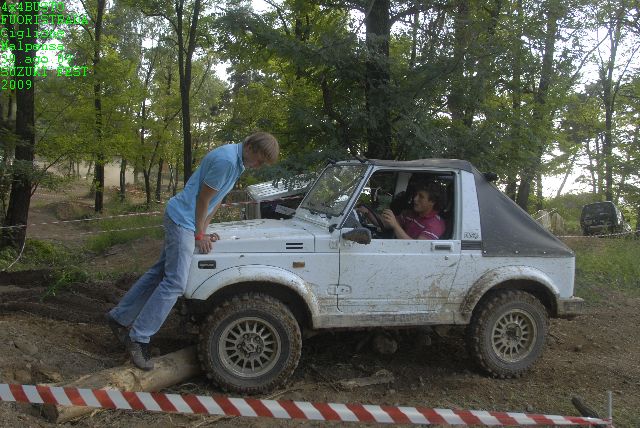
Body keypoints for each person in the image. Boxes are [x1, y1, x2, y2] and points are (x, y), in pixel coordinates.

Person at [106, 132, 279, 370]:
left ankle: (119, 317)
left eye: (261, 163)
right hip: (182, 221)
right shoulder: (227, 160)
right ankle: (139, 338)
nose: (257, 166)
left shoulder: (238, 161)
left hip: (188, 220)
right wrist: (198, 234)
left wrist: (204, 230)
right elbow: (203, 199)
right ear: (249, 146)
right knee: (176, 283)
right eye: (258, 160)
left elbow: (218, 198)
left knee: (160, 273)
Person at [357, 183, 445, 240]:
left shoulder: (435, 224)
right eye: (416, 195)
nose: (415, 199)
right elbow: (383, 224)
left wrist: (395, 225)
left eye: (421, 197)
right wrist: (367, 212)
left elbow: (417, 248)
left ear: (432, 202)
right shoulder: (410, 214)